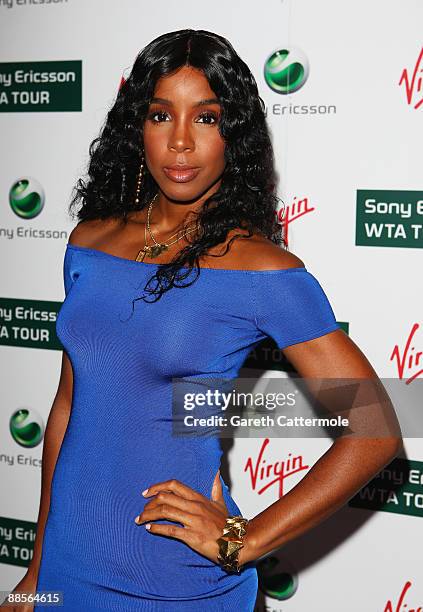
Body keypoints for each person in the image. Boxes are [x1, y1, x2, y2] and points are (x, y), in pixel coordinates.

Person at [3, 29, 402, 612]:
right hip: (71, 560)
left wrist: (246, 539)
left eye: (207, 118)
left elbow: (377, 428)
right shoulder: (89, 243)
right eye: (162, 115)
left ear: (232, 135)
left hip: (177, 580)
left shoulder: (262, 270)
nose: (181, 142)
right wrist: (38, 569)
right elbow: (68, 407)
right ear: (137, 126)